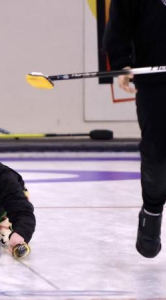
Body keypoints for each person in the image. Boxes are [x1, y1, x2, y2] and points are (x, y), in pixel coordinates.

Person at [104, 0, 166, 258]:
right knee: (157, 153)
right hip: (155, 83)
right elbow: (118, 26)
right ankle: (152, 210)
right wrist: (123, 63)